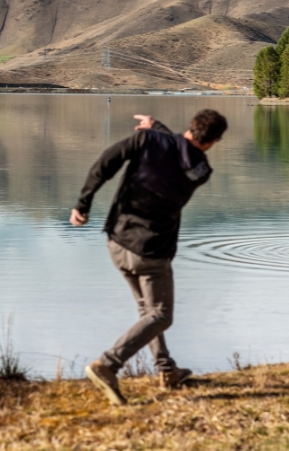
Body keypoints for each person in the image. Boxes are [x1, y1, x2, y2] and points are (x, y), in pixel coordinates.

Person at [70, 109, 228, 406]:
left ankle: (167, 371)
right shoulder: (201, 171)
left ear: (192, 126)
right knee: (160, 315)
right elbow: (180, 151)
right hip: (152, 253)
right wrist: (158, 128)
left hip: (117, 241)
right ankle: (108, 364)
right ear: (213, 141)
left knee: (148, 312)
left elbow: (104, 164)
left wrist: (83, 203)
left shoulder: (145, 141)